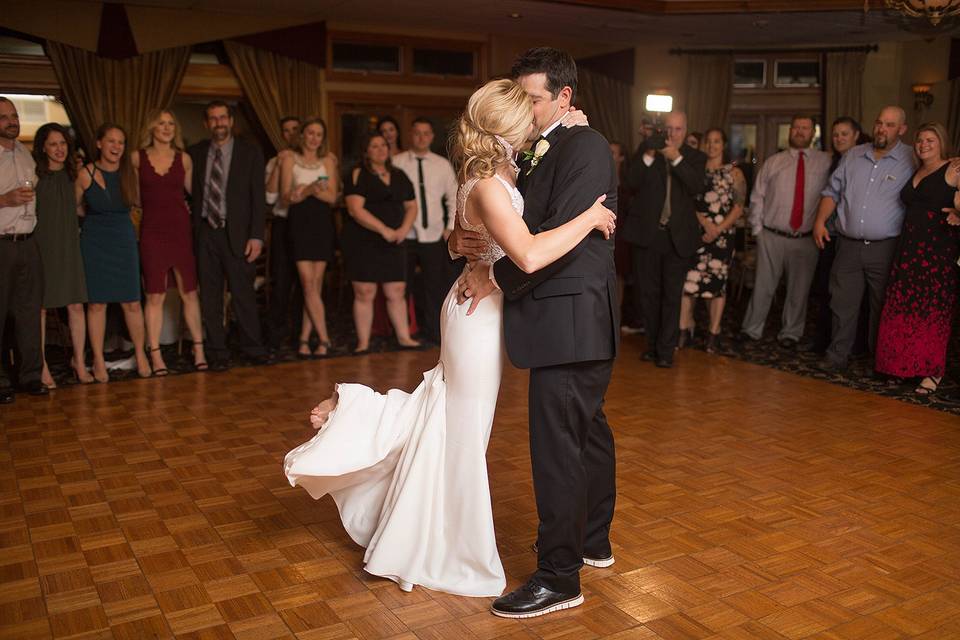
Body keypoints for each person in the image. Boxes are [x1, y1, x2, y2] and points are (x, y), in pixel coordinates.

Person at [284, 77, 615, 601]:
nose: (536, 118)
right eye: (527, 111)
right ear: (509, 126)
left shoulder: (488, 172)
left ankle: (368, 432)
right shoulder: (486, 181)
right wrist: (591, 217)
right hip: (478, 316)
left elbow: (474, 233)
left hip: (476, 309)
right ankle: (449, 540)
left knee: (444, 412)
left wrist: (571, 126)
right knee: (461, 431)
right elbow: (526, 255)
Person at [455, 48, 620, 618]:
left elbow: (546, 245)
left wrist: (491, 273)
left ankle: (559, 576)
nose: (524, 109)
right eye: (518, 98)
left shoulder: (587, 146)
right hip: (555, 317)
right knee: (586, 432)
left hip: (570, 316)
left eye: (533, 99)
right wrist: (470, 248)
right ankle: (591, 541)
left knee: (558, 448)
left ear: (565, 98)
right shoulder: (526, 150)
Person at [813, 106, 916, 371]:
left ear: (902, 129)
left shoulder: (912, 157)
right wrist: (819, 221)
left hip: (886, 247)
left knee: (882, 306)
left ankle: (879, 359)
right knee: (841, 302)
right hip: (847, 245)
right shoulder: (853, 155)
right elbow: (831, 192)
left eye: (890, 125)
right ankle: (837, 355)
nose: (882, 129)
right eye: (879, 122)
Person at [875, 124, 960, 394]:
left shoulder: (953, 168)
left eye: (931, 140)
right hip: (908, 250)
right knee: (902, 308)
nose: (924, 144)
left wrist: (959, 214)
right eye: (920, 140)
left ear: (941, 142)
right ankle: (901, 366)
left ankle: (931, 371)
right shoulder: (916, 169)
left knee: (932, 312)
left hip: (937, 253)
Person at [621, 110, 707, 368]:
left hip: (677, 238)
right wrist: (649, 153)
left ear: (686, 130)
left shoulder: (694, 157)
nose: (672, 134)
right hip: (648, 236)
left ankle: (666, 351)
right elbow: (630, 182)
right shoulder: (648, 151)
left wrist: (676, 158)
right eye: (668, 128)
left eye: (678, 129)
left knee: (672, 295)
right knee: (648, 294)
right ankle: (651, 345)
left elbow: (696, 186)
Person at [187, 101, 269, 370]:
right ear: (206, 123)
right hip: (205, 232)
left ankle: (253, 347)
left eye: (223, 117)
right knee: (210, 296)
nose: (218, 122)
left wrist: (257, 236)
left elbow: (258, 198)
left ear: (231, 121)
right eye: (213, 118)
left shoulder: (250, 152)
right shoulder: (195, 154)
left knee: (243, 293)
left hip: (238, 234)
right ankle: (217, 352)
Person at [738, 115, 832, 348]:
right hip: (772, 235)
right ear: (790, 131)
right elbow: (757, 196)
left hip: (806, 238)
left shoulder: (827, 162)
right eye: (796, 127)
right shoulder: (774, 162)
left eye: (805, 128)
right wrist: (758, 231)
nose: (800, 131)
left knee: (798, 291)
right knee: (762, 287)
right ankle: (751, 330)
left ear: (813, 133)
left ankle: (791, 333)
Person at [132, 109, 207, 375]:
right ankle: (155, 354)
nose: (166, 128)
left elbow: (194, 195)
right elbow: (135, 198)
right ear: (151, 128)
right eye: (161, 123)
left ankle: (198, 348)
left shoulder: (184, 159)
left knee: (189, 293)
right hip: (152, 233)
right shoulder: (136, 158)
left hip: (180, 232)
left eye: (171, 124)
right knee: (155, 295)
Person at [77, 123, 151, 381]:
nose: (116, 147)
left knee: (131, 302)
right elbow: (75, 207)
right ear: (99, 143)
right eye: (111, 141)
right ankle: (97, 360)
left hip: (124, 239)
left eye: (120, 142)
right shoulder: (85, 173)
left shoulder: (130, 173)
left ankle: (141, 355)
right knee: (97, 304)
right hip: (95, 241)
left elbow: (140, 202)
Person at [341, 133, 420, 353]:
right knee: (364, 291)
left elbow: (412, 206)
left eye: (383, 145)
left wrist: (404, 229)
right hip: (363, 241)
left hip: (395, 239)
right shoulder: (357, 174)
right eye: (373, 146)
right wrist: (383, 230)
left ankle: (404, 337)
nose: (380, 149)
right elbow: (355, 209)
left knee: (396, 290)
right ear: (366, 151)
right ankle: (363, 342)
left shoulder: (399, 175)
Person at [32, 123, 93, 386]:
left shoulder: (75, 175)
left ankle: (79, 361)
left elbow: (79, 209)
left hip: (69, 246)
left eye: (63, 143)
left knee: (76, 305)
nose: (59, 149)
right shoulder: (34, 175)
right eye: (53, 144)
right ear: (43, 147)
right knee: (41, 308)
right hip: (42, 246)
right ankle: (41, 365)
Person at [392, 118, 460, 345]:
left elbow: (453, 197)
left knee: (435, 286)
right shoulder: (397, 163)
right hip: (405, 234)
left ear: (431, 137)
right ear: (411, 135)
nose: (421, 137)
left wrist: (450, 227)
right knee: (402, 286)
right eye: (417, 133)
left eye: (426, 133)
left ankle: (434, 333)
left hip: (433, 234)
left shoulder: (442, 165)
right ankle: (404, 333)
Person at [679, 128, 746, 353]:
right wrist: (705, 224)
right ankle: (685, 328)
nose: (712, 145)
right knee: (689, 283)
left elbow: (738, 208)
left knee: (717, 286)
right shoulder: (696, 171)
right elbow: (687, 201)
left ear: (723, 145)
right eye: (708, 141)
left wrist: (717, 229)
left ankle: (713, 333)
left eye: (717, 141)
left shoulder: (734, 173)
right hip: (696, 233)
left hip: (722, 237)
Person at [0, 97, 48, 403]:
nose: (11, 120)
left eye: (14, 115)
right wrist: (4, 200)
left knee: (30, 313)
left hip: (28, 242)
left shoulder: (24, 153)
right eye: (4, 117)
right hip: (1, 243)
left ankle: (31, 376)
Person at [279, 117, 338, 358]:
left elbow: (332, 197)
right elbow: (285, 198)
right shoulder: (289, 159)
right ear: (302, 135)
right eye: (310, 133)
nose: (314, 138)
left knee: (314, 284)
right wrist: (310, 190)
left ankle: (304, 339)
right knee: (307, 283)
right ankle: (324, 338)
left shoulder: (328, 160)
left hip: (322, 222)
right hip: (299, 223)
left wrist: (306, 191)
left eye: (319, 134)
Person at [810, 117, 869, 354]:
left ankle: (855, 345)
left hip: (850, 238)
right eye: (835, 134)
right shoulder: (834, 161)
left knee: (853, 295)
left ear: (856, 135)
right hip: (830, 235)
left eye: (845, 134)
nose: (839, 138)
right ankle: (826, 341)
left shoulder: (864, 161)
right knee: (828, 290)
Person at [265, 116, 302, 352]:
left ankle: (301, 335)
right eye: (285, 131)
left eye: (294, 130)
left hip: (307, 227)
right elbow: (269, 198)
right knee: (281, 280)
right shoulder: (275, 161)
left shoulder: (314, 160)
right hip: (283, 223)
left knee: (305, 284)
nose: (290, 135)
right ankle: (276, 336)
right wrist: (279, 166)